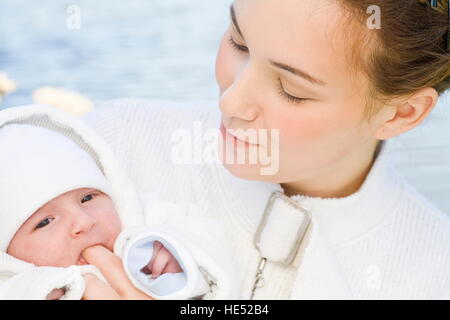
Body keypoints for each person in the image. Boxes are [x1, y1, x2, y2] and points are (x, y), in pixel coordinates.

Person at [82, 0, 450, 299]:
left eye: (292, 90)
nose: (231, 102)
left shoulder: (432, 274)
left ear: (403, 112)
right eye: (238, 43)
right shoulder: (113, 146)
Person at [0, 105, 236, 300]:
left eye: (87, 197)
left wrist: (179, 256)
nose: (83, 221)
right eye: (45, 222)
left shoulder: (142, 221)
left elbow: (210, 239)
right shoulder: (18, 286)